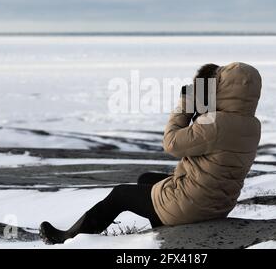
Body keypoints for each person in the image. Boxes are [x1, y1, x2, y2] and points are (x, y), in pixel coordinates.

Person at [39, 62, 262, 244]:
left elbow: (171, 143)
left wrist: (186, 106)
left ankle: (69, 239)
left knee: (121, 195)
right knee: (146, 180)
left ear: (224, 88)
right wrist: (204, 112)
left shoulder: (215, 122)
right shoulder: (252, 124)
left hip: (193, 205)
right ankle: (163, 234)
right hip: (219, 203)